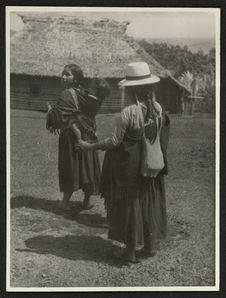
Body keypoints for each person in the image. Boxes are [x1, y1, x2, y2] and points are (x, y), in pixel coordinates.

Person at [79, 62, 170, 263]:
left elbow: (114, 142)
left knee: (131, 205)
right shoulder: (157, 108)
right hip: (152, 165)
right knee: (148, 202)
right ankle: (149, 246)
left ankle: (129, 252)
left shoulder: (128, 113)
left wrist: (90, 146)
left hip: (132, 169)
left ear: (130, 89)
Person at [46, 64, 110, 210]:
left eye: (68, 75)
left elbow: (61, 117)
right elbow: (88, 113)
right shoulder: (83, 92)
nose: (64, 77)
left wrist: (50, 111)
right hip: (89, 133)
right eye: (63, 74)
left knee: (71, 166)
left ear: (76, 78)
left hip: (71, 135)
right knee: (88, 166)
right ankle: (86, 202)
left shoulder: (66, 94)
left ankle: (64, 202)